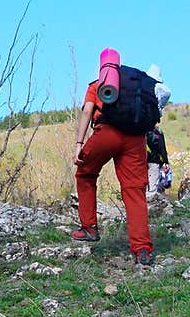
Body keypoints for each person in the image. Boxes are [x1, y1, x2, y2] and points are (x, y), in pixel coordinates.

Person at [71, 71, 154, 266]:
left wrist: (78, 144)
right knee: (134, 189)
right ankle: (141, 249)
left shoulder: (97, 85)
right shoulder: (135, 85)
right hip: (135, 137)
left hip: (107, 132)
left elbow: (87, 111)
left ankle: (89, 228)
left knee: (85, 173)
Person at [146, 122, 171, 195]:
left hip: (140, 162)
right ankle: (150, 203)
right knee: (153, 185)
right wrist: (166, 162)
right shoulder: (158, 133)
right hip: (154, 162)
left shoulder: (140, 131)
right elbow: (162, 150)